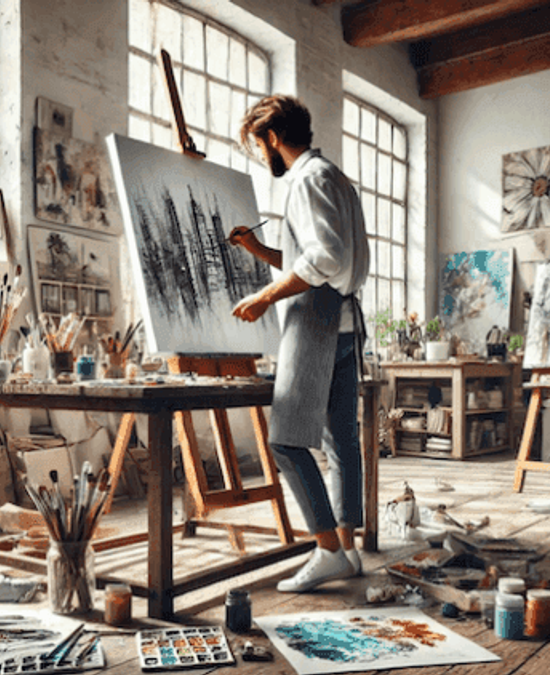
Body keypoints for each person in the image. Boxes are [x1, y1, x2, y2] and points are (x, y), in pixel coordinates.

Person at [228, 95, 370, 593]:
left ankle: (328, 550)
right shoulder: (332, 176)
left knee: (286, 441)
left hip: (318, 318)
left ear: (271, 136)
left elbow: (323, 259)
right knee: (340, 442)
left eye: (257, 143)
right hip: (345, 321)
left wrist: (265, 297)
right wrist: (257, 248)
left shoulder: (307, 179)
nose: (260, 153)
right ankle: (348, 548)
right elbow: (311, 258)